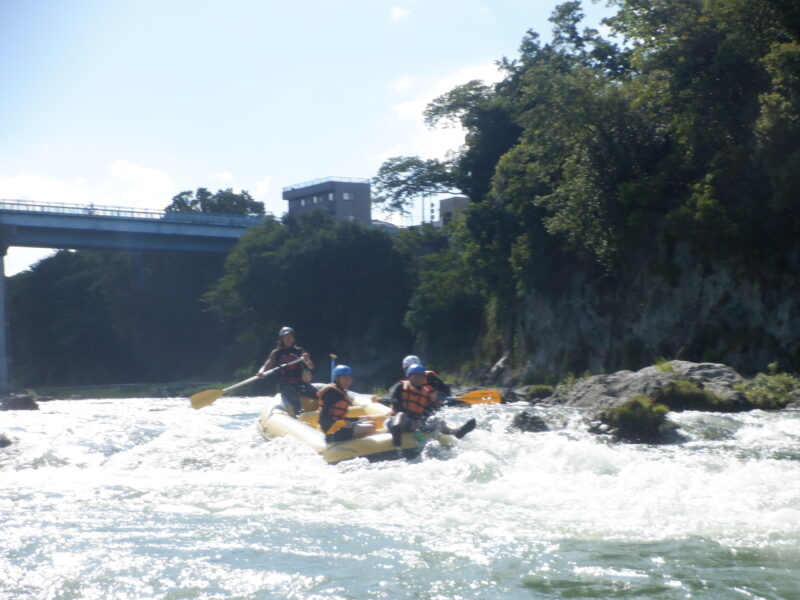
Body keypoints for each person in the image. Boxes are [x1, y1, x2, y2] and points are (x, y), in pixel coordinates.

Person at [387, 363, 475, 447]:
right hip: (397, 421)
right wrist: (410, 418)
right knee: (401, 415)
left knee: (437, 420)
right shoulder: (400, 386)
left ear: (423, 377)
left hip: (415, 424)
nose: (418, 378)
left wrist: (419, 421)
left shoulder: (426, 394)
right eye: (415, 375)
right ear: (409, 377)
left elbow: (428, 412)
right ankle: (396, 437)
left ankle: (456, 432)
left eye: (420, 375)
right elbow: (395, 402)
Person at [257, 326, 315, 417]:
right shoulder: (276, 353)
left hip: (300, 383)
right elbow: (267, 364)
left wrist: (307, 360)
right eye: (286, 337)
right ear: (281, 339)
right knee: (295, 401)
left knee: (318, 394)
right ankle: (299, 417)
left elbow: (311, 366)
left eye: (291, 337)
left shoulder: (299, 351)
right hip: (285, 384)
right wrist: (261, 372)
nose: (289, 339)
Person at [317, 365, 376, 443]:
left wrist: (358, 418)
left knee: (372, 423)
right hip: (333, 432)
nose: (347, 380)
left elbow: (340, 417)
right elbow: (324, 417)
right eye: (344, 377)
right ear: (336, 378)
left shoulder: (341, 392)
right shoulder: (331, 393)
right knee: (371, 427)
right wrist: (341, 424)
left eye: (349, 378)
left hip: (339, 426)